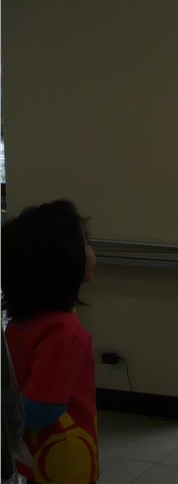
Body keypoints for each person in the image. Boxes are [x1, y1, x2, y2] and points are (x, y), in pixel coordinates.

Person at [2, 200, 99, 484]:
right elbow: (44, 406)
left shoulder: (21, 323)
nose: (92, 251)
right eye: (86, 243)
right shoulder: (65, 333)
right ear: (64, 263)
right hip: (65, 460)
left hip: (35, 456)